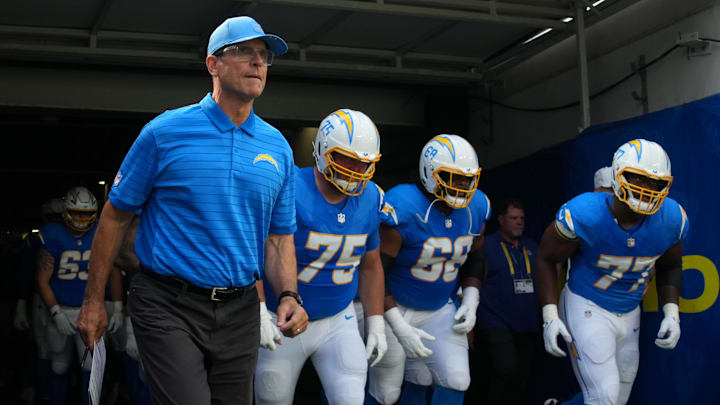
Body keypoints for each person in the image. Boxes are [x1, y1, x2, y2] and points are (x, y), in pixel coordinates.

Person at [76, 15, 308, 405]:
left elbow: (279, 237)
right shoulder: (164, 133)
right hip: (168, 303)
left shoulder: (278, 147)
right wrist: (93, 301)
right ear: (213, 64)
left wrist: (289, 294)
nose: (257, 62)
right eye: (245, 52)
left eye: (264, 55)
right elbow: (114, 217)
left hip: (240, 311)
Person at [254, 109, 390, 405]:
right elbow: (252, 252)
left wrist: (376, 320)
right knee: (272, 397)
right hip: (282, 317)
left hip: (337, 319)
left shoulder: (371, 198)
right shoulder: (288, 187)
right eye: (347, 158)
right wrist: (260, 307)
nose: (357, 169)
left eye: (364, 162)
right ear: (322, 151)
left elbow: (371, 265)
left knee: (351, 398)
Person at [536, 139, 687, 405]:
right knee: (603, 396)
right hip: (587, 303)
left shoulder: (671, 219)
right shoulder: (586, 213)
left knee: (616, 398)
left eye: (655, 183)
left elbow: (670, 265)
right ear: (618, 177)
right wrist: (549, 316)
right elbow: (547, 259)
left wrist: (672, 314)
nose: (648, 190)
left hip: (630, 311)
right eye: (639, 180)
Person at [367, 134, 491, 405]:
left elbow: (476, 258)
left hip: (439, 307)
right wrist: (397, 324)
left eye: (467, 178)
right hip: (394, 306)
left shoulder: (477, 206)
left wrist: (471, 299)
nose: (462, 185)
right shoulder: (404, 205)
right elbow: (375, 271)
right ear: (429, 173)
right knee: (387, 392)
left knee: (458, 380)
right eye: (452, 176)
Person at [36, 187, 124, 405]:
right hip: (62, 307)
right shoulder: (53, 233)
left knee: (90, 367)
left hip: (92, 310)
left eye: (85, 213)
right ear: (66, 212)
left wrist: (117, 307)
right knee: (59, 364)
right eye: (76, 212)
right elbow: (42, 279)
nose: (81, 218)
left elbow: (113, 272)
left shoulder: (100, 233)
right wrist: (55, 311)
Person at [475, 199, 539, 405]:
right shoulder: (487, 245)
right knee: (504, 367)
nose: (519, 222)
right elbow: (474, 279)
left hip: (527, 321)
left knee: (521, 375)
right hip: (495, 320)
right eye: (514, 218)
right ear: (501, 220)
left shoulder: (532, 246)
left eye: (522, 218)